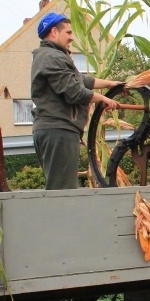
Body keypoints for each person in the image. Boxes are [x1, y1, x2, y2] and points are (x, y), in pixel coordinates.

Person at [31, 12, 121, 189]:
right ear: (54, 32)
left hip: (55, 129)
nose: (72, 38)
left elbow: (80, 80)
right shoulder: (53, 57)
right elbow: (74, 92)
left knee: (61, 187)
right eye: (68, 32)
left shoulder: (51, 56)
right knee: (62, 191)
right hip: (59, 129)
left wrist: (110, 84)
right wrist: (102, 98)